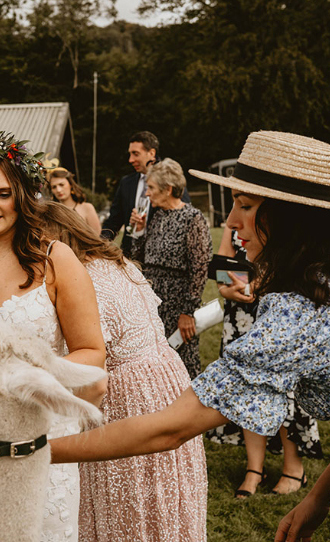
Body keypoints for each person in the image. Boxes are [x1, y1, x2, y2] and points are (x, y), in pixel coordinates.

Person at [49, 130, 330, 542]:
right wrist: (318, 500)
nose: (232, 220)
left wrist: (36, 450)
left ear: (289, 216)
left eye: (245, 206)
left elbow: (171, 428)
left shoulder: (302, 309)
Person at [0, 131, 106, 541]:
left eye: (3, 193)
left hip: (35, 436)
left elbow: (93, 352)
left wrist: (27, 378)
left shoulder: (55, 259)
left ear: (23, 196)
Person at [40, 202, 207, 542]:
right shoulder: (117, 262)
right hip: (169, 379)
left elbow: (94, 376)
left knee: (127, 500)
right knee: (163, 493)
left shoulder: (81, 280)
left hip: (129, 397)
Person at [206, 226, 323, 497]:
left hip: (280, 315)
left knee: (285, 391)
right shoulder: (236, 221)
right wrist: (227, 289)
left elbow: (301, 269)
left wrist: (257, 285)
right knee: (248, 390)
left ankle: (294, 468)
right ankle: (254, 469)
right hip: (241, 315)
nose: (238, 210)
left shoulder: (287, 223)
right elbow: (222, 263)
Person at [129, 158, 211, 379]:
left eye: (152, 188)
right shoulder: (156, 217)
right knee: (156, 367)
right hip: (153, 302)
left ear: (168, 189)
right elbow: (138, 259)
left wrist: (188, 312)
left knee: (184, 367)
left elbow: (199, 269)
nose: (147, 193)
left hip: (178, 306)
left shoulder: (193, 219)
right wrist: (138, 230)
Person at [101, 131, 190, 256]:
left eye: (135, 154)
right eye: (130, 154)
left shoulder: (170, 180)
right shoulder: (126, 183)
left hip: (160, 257)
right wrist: (99, 245)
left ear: (152, 153)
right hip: (130, 257)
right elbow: (113, 222)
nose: (130, 160)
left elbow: (183, 214)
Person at [48, 168, 101, 234]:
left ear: (70, 184)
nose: (58, 190)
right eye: (54, 187)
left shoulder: (87, 208)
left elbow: (97, 236)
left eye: (61, 185)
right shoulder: (52, 213)